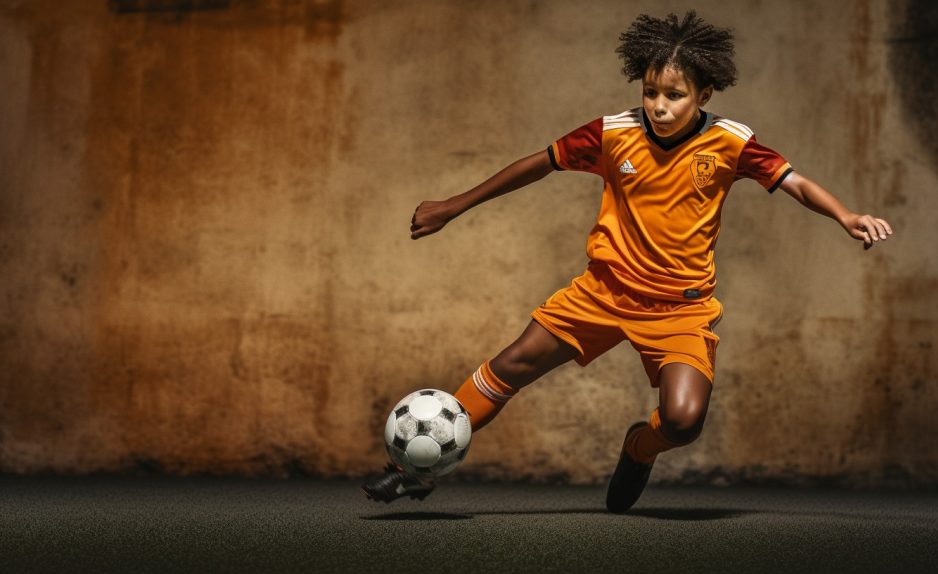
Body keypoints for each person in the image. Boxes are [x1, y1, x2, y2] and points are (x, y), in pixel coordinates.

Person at [362, 11, 893, 513]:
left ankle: (639, 448)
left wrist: (846, 215)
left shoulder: (730, 144)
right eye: (650, 92)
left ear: (704, 94)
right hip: (603, 292)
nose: (660, 106)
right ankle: (415, 471)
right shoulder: (613, 134)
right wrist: (455, 206)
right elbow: (537, 164)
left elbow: (794, 181)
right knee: (511, 365)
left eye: (675, 96)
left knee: (684, 421)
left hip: (680, 310)